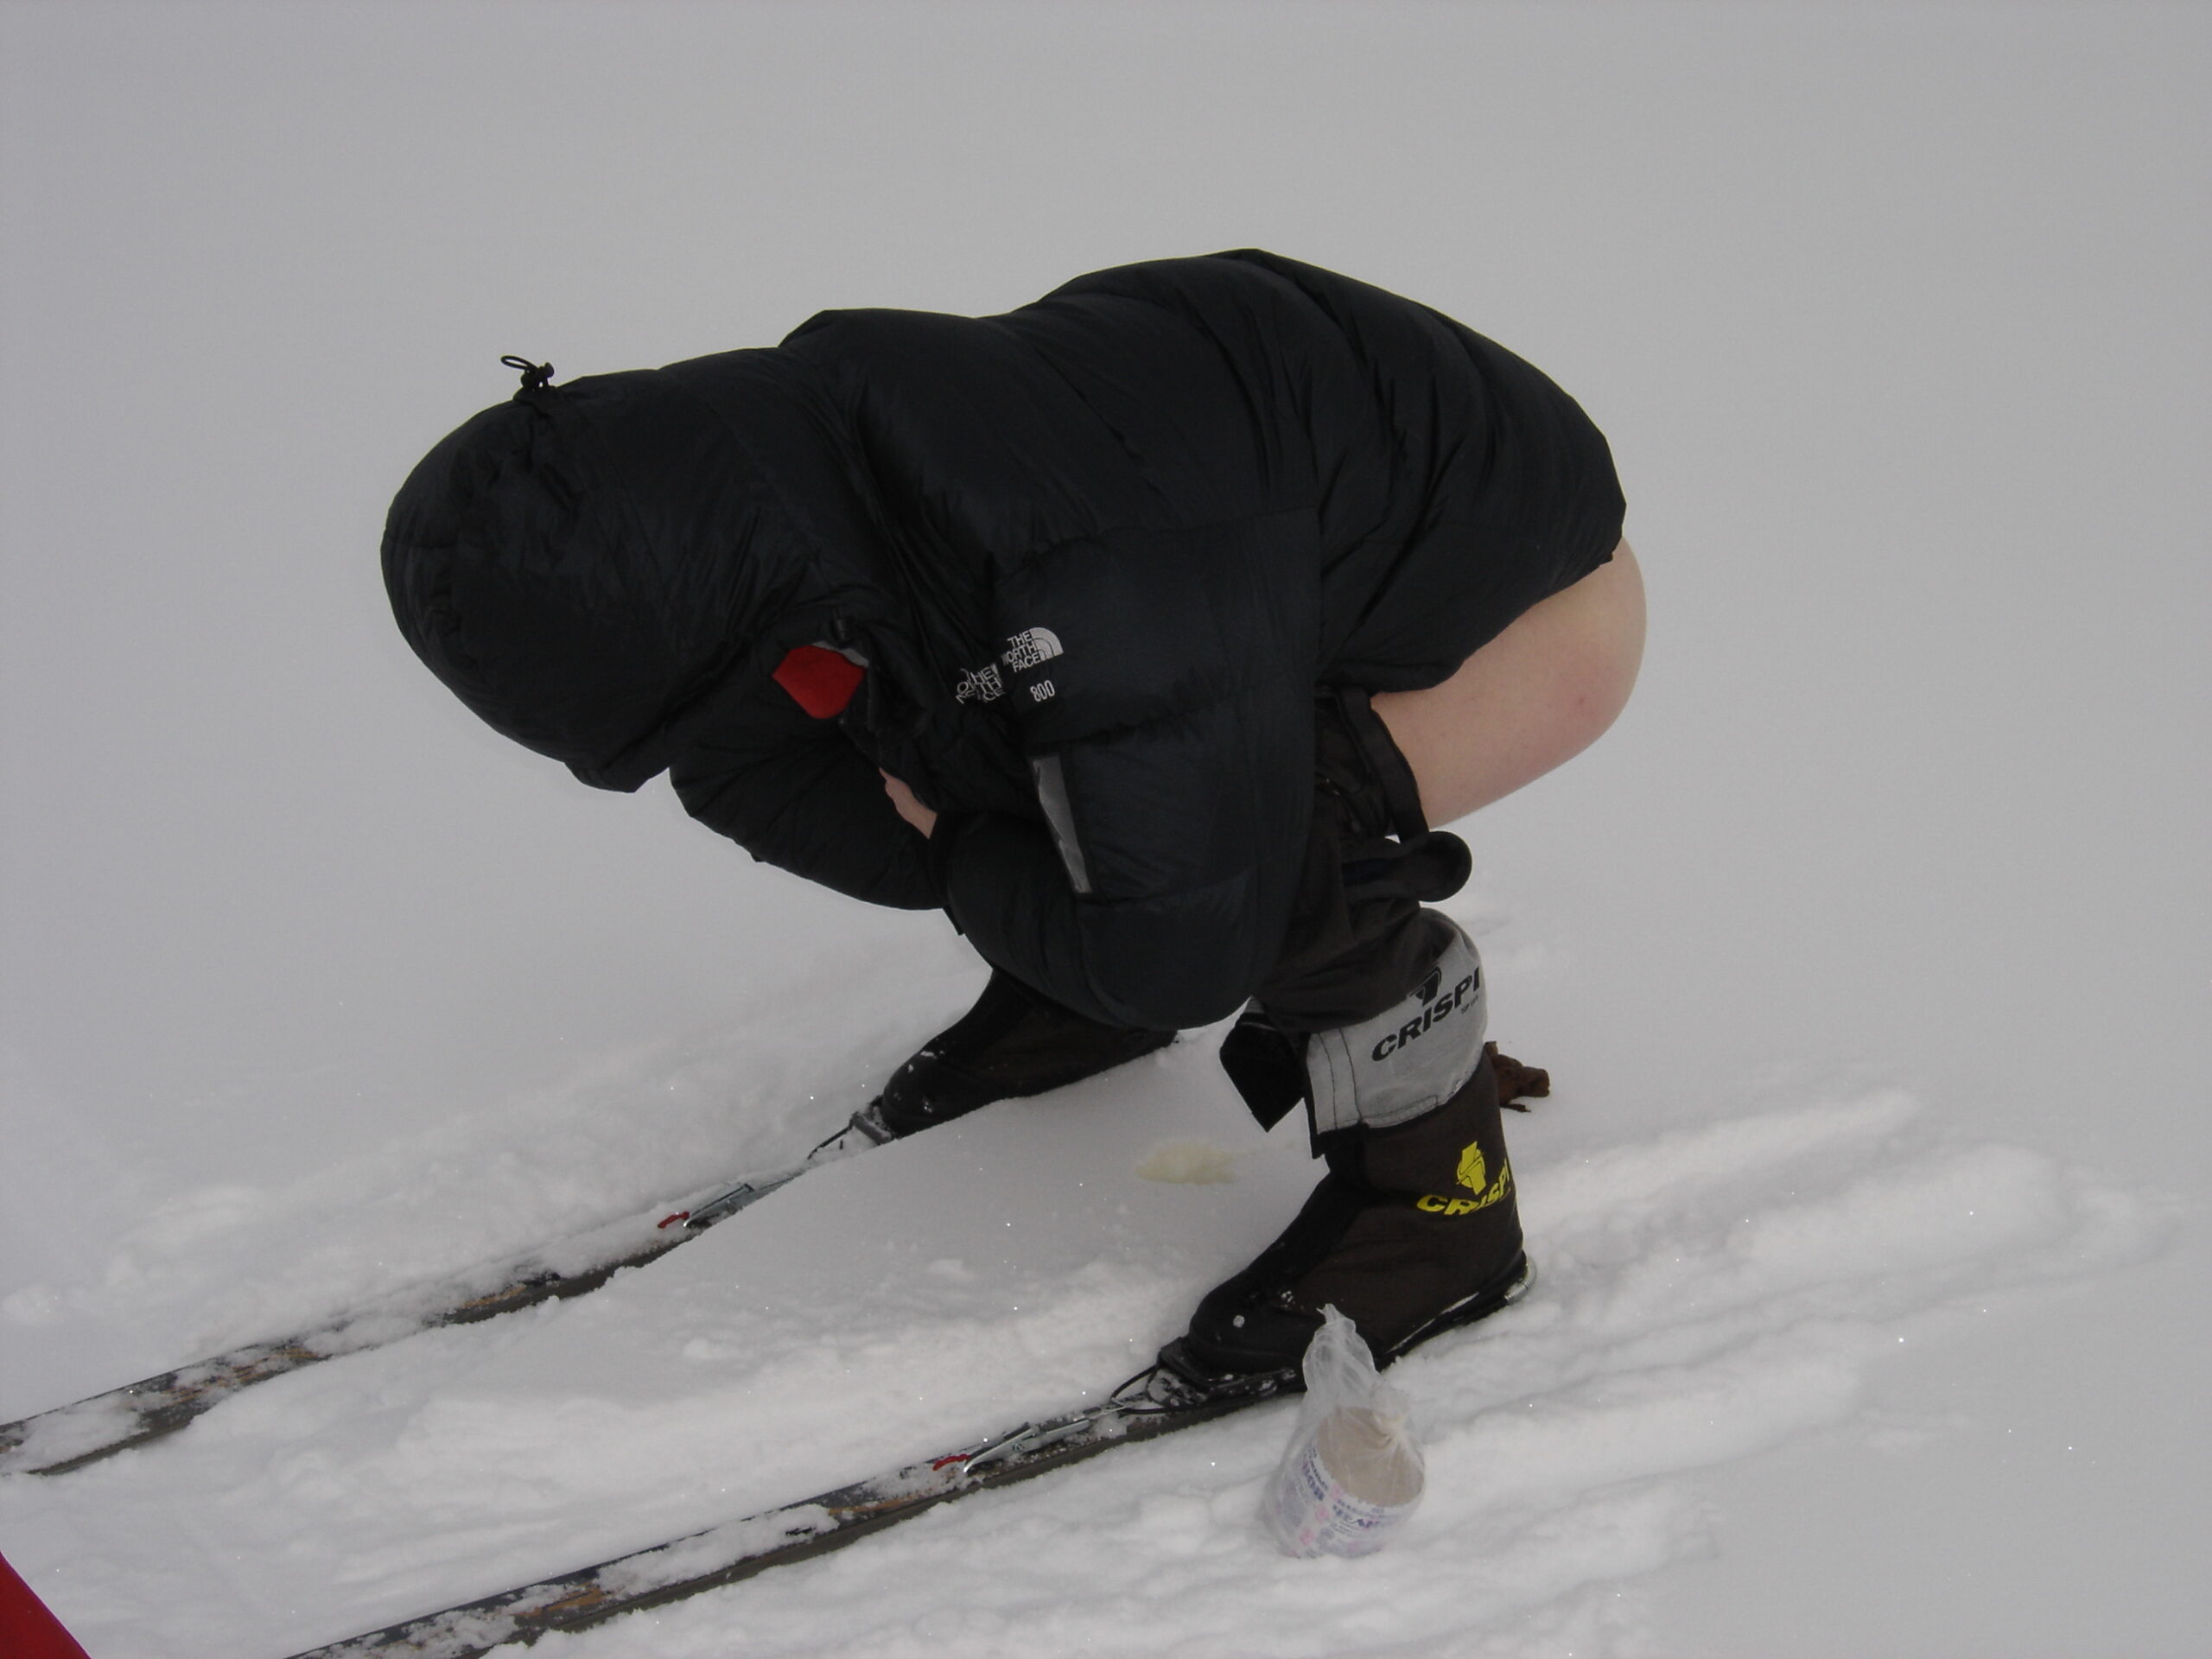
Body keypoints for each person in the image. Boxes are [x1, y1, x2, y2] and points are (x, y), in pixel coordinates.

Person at [381, 250, 1642, 1394]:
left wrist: (972, 847)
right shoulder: (791, 480)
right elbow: (749, 764)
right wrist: (1001, 870)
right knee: (993, 719)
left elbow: (1186, 947)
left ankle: (1441, 1203)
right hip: (1261, 568)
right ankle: (1082, 991)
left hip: (1531, 615)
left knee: (1258, 847)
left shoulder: (1070, 557)